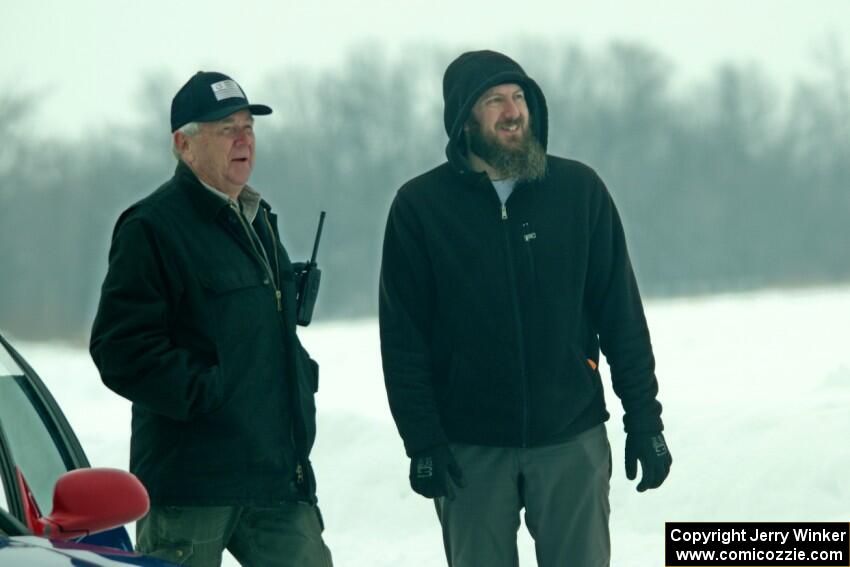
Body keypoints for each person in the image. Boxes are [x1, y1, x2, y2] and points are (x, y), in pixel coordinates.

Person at [379, 50, 672, 567]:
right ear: (463, 118)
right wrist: (422, 440)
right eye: (494, 101)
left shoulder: (579, 192)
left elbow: (621, 317)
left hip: (570, 439)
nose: (512, 112)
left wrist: (645, 421)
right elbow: (403, 341)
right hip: (469, 449)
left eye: (519, 98)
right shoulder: (420, 208)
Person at [90, 71, 332, 567]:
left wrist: (298, 377)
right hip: (190, 487)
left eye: (248, 127)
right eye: (226, 129)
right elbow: (120, 349)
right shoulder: (152, 227)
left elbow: (264, 328)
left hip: (275, 477)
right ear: (184, 144)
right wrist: (210, 393)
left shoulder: (259, 219)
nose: (244, 139)